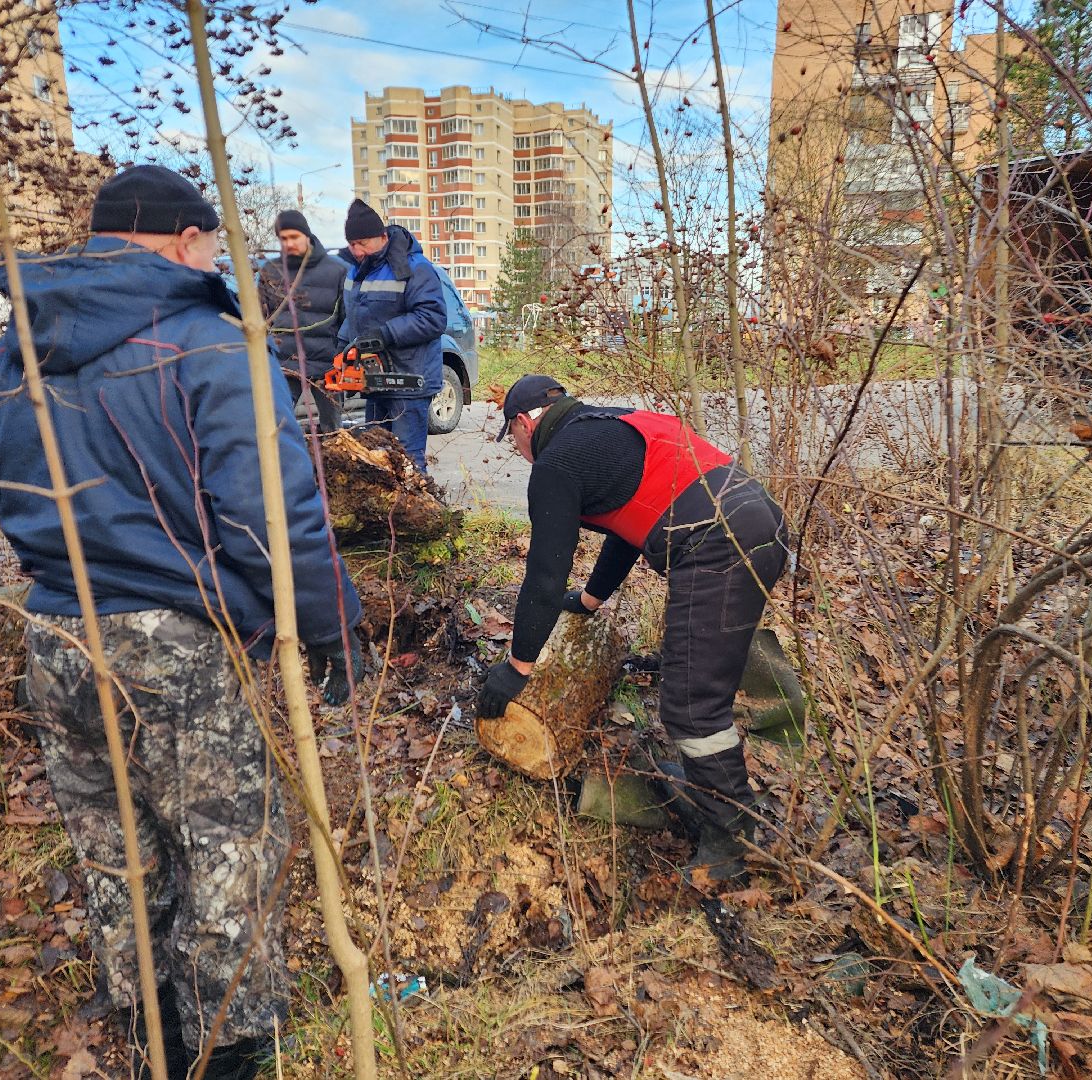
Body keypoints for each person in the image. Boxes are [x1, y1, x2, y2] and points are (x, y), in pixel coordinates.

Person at [0, 164, 363, 1080]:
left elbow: (12, 492)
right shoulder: (212, 344)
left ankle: (154, 1036)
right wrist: (328, 626)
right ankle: (225, 1054)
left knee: (118, 851)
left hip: (55, 632)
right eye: (214, 246)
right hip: (172, 639)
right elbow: (272, 515)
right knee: (227, 848)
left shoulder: (9, 352)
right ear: (187, 239)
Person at [476, 375, 790, 882]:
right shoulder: (614, 424)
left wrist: (516, 668)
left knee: (691, 702)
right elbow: (628, 526)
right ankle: (715, 793)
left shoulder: (556, 463)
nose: (516, 449)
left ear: (523, 423)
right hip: (754, 520)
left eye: (512, 438)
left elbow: (544, 571)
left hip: (718, 542)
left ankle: (732, 838)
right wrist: (591, 600)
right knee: (695, 680)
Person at [336, 199, 446, 471]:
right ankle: (388, 514)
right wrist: (341, 350)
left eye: (363, 243)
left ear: (383, 237)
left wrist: (385, 334)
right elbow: (352, 317)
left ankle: (419, 511)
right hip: (376, 379)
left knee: (406, 460)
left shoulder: (415, 268)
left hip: (410, 379)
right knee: (376, 456)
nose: (357, 250)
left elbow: (433, 318)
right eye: (352, 244)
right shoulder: (356, 271)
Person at [256, 208, 347, 432]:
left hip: (327, 365)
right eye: (283, 238)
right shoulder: (272, 271)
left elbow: (347, 318)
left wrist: (341, 355)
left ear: (307, 235)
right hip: (286, 363)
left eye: (294, 237)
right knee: (278, 427)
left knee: (333, 430)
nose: (289, 243)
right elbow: (261, 317)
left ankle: (332, 468)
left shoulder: (337, 271)